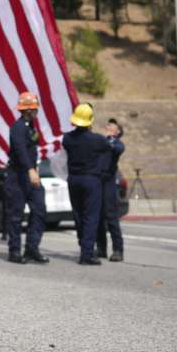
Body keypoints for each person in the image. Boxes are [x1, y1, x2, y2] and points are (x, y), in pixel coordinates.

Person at [62, 104, 117, 265]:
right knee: (91, 217)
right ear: (90, 122)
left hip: (73, 180)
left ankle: (83, 246)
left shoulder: (67, 138)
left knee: (78, 216)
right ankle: (86, 254)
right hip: (91, 180)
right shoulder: (97, 139)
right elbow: (109, 147)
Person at [5, 92, 49, 264]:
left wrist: (34, 169)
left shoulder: (31, 127)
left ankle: (32, 248)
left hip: (32, 175)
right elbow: (20, 149)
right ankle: (14, 251)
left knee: (39, 211)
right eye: (33, 109)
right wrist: (31, 170)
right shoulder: (17, 127)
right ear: (26, 110)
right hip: (18, 176)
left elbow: (32, 150)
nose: (36, 112)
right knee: (16, 215)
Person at [97, 118, 126, 262]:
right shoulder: (101, 140)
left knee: (111, 217)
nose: (108, 125)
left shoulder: (117, 143)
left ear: (118, 131)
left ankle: (118, 250)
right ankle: (101, 248)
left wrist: (110, 140)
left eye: (112, 125)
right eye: (108, 124)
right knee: (98, 217)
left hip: (109, 182)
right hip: (97, 182)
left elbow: (118, 149)